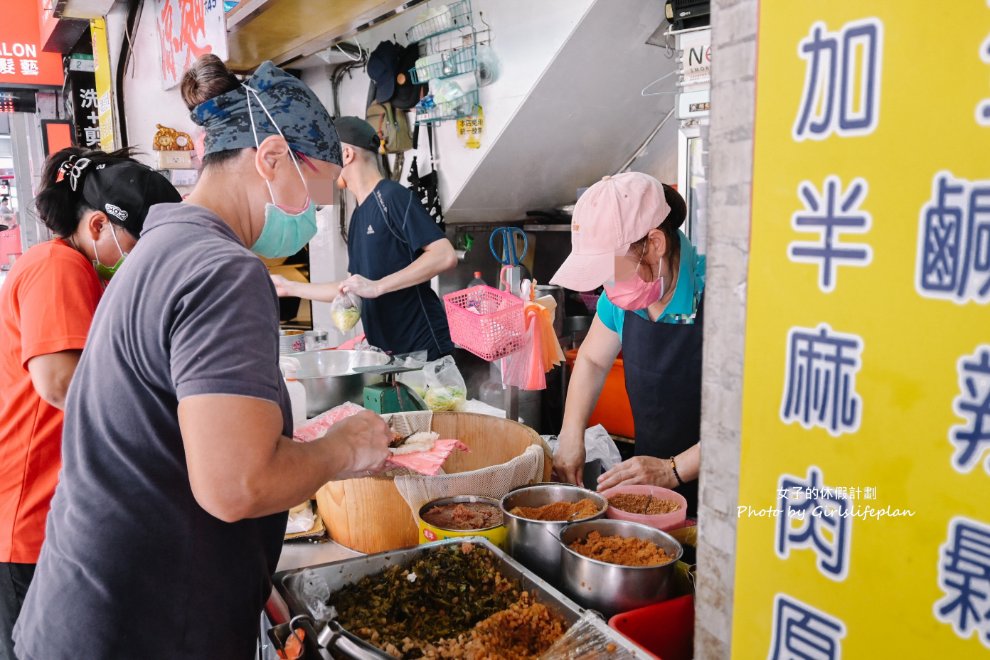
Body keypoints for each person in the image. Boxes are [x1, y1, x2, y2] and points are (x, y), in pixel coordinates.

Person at [14, 55, 392, 660]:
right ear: (269, 157)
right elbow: (237, 485)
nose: (318, 214)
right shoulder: (222, 269)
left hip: (86, 612)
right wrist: (345, 447)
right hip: (139, 629)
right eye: (317, 189)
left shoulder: (160, 247)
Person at [0, 147, 180, 660]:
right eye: (137, 241)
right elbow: (60, 384)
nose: (142, 254)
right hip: (28, 517)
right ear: (98, 224)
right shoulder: (57, 265)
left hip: (52, 508)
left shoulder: (80, 271)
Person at [550, 172, 704, 516]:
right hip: (653, 486)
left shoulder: (721, 297)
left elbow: (752, 419)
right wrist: (571, 432)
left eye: (613, 268)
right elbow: (591, 360)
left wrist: (674, 469)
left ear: (655, 244)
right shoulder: (623, 296)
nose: (609, 284)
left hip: (723, 486)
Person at [271, 116, 456, 360]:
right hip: (388, 355)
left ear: (346, 155)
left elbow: (445, 255)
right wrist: (290, 287)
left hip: (424, 350)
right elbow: (352, 289)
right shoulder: (358, 214)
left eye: (325, 155)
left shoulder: (391, 196)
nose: (320, 167)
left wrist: (377, 286)